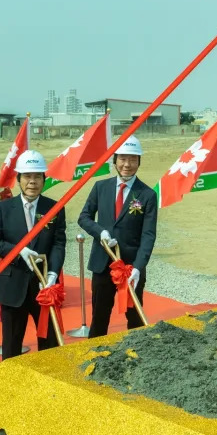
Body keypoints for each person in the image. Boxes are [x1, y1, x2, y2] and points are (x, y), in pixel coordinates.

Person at [0, 150, 67, 358]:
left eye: (37, 176)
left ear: (44, 179)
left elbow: (58, 244)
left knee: (49, 345)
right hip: (14, 287)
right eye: (27, 176)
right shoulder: (4, 208)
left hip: (43, 288)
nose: (32, 182)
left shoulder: (54, 208)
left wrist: (53, 274)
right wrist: (18, 251)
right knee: (11, 347)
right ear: (19, 179)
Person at [78, 136, 157, 337]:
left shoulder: (147, 194)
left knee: (135, 319)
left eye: (132, 159)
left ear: (139, 161)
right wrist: (100, 232)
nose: (127, 165)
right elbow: (84, 217)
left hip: (130, 268)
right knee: (100, 316)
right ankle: (95, 356)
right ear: (114, 160)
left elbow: (148, 235)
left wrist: (138, 268)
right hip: (103, 264)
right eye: (122, 159)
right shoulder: (100, 187)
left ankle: (137, 357)